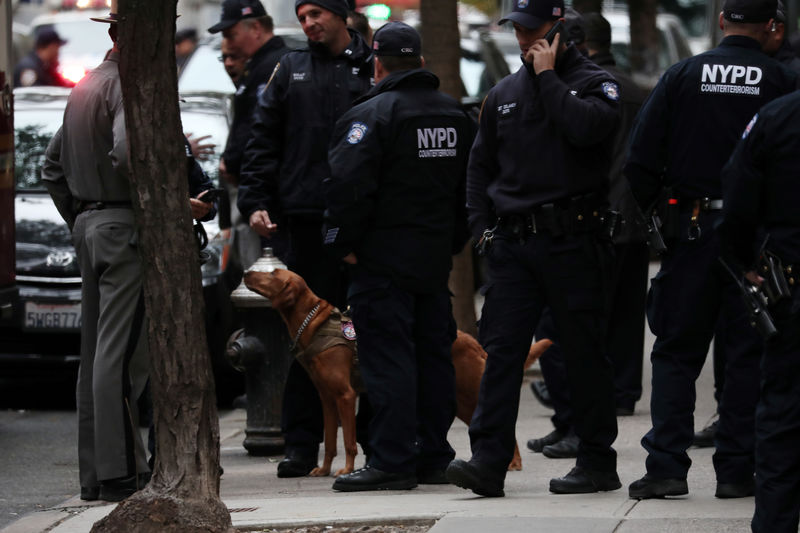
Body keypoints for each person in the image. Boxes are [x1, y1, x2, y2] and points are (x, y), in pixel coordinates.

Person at [446, 0, 622, 497]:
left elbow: (587, 128)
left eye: (533, 30)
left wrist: (548, 78)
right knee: (501, 355)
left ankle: (596, 461)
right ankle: (488, 462)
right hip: (514, 246)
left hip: (574, 240)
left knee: (583, 354)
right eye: (517, 30)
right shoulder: (502, 92)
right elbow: (480, 168)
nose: (524, 40)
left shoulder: (593, 83)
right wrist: (482, 229)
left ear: (559, 28)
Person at [624, 0, 797, 500]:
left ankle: (665, 467)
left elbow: (639, 159)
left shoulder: (683, 74)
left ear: (721, 20)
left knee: (676, 351)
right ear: (770, 26)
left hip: (691, 230)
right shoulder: (780, 80)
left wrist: (661, 212)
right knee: (745, 354)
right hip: (757, 242)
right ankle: (737, 470)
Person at [322, 21, 472, 492]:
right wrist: (452, 241)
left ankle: (391, 461)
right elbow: (473, 188)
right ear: (422, 63)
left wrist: (339, 244)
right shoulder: (456, 116)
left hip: (382, 260)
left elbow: (347, 187)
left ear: (378, 64)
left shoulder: (372, 116)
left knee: (389, 361)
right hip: (431, 259)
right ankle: (432, 455)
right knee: (433, 357)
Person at [237, 0, 373, 478]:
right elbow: (263, 138)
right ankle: (301, 443)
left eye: (317, 13)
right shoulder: (289, 68)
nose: (309, 23)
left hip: (362, 226)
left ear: (341, 15)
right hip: (306, 221)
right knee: (303, 337)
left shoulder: (372, 64)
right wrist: (254, 200)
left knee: (363, 332)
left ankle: (374, 442)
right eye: (302, 16)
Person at [526, 11, 649, 461]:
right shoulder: (635, 90)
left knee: (573, 327)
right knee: (624, 315)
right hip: (632, 218)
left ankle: (575, 419)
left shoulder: (575, 88)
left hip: (590, 219)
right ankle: (622, 392)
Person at [40, 3, 150, 503]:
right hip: (119, 222)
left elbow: (51, 167)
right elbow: (128, 153)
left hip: (91, 223)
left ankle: (97, 475)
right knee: (117, 354)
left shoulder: (84, 86)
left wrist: (82, 219)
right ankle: (117, 473)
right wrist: (162, 201)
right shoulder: (121, 84)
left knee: (96, 355)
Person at [719, 91, 800, 533]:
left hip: (791, 282)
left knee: (784, 415)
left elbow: (738, 196)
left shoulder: (776, 117)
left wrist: (744, 260)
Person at [209, 0, 290, 187]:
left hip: (266, 181)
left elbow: (259, 125)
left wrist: (233, 160)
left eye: (231, 35)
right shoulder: (258, 66)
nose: (229, 44)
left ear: (255, 28)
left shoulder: (273, 67)